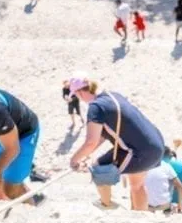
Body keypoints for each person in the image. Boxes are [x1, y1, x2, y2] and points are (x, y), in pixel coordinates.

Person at [68, 78, 166, 211]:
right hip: (155, 145)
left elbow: (91, 142)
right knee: (137, 185)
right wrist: (84, 155)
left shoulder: (95, 107)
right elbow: (102, 136)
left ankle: (106, 204)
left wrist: (74, 160)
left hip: (139, 152)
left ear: (79, 93)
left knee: (98, 168)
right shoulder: (113, 95)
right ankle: (141, 215)